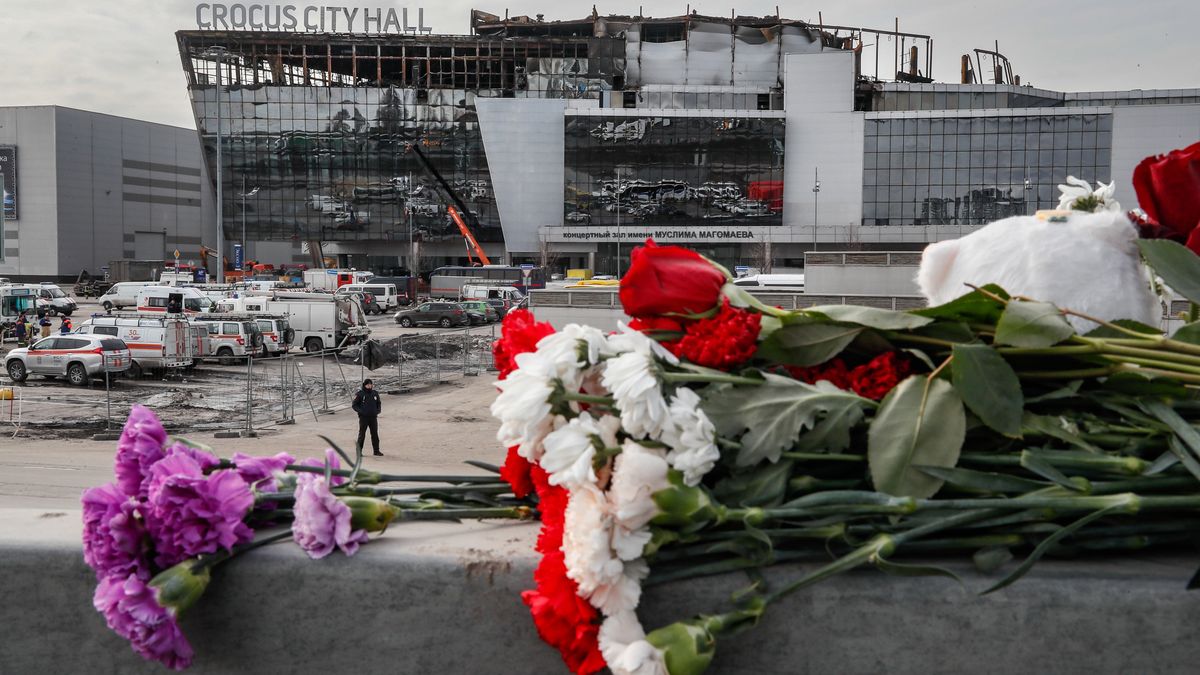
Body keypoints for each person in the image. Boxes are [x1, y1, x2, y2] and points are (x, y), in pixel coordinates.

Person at [352, 378, 383, 456]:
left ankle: (376, 451)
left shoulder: (375, 393)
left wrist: (378, 410)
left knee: (375, 434)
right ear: (364, 385)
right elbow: (354, 405)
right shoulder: (360, 394)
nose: (369, 386)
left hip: (373, 417)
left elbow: (378, 403)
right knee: (362, 434)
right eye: (368, 385)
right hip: (364, 418)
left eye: (370, 384)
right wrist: (361, 411)